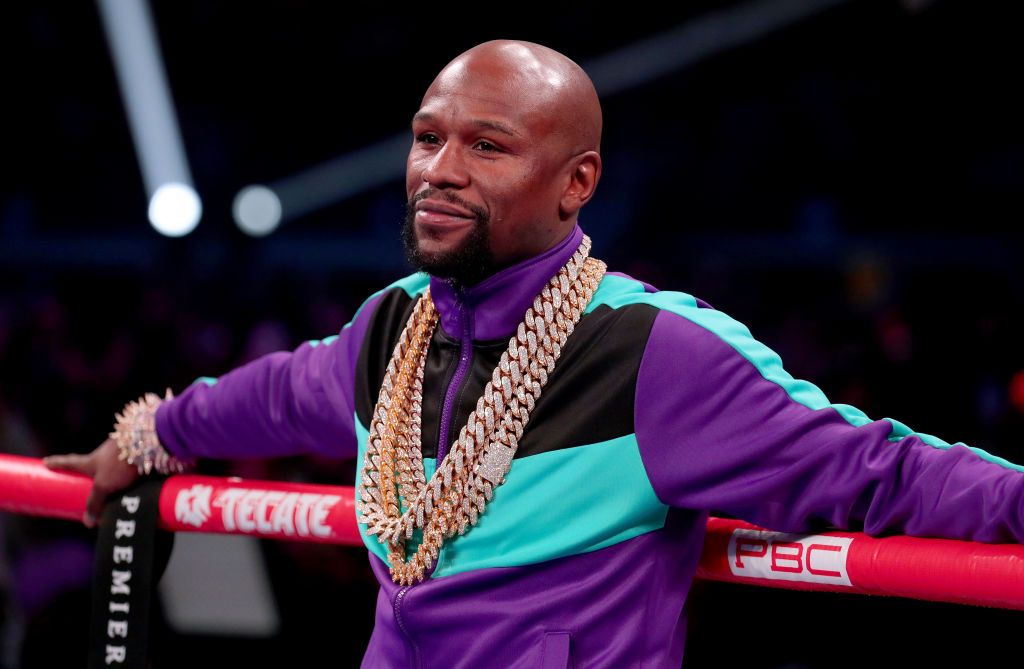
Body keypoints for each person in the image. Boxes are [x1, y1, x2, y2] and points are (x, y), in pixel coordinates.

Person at [45, 39, 1024, 668]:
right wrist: (143, 440)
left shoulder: (654, 352)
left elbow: (879, 468)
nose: (438, 170)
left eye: (487, 146)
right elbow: (252, 401)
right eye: (428, 138)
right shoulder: (391, 323)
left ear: (576, 182)